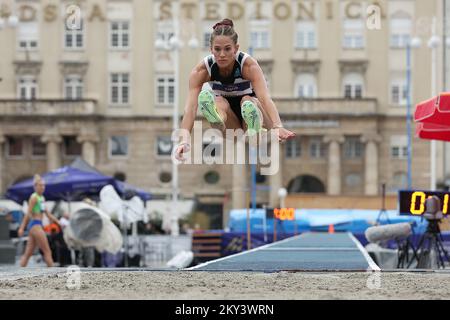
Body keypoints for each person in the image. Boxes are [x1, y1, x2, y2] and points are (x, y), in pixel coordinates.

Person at [175, 18, 295, 162]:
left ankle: (254, 128)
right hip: (230, 124)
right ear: (211, 49)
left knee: (247, 101)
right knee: (218, 101)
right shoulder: (202, 70)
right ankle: (216, 118)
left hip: (256, 113)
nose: (222, 54)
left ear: (236, 48)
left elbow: (265, 98)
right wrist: (184, 140)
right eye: (217, 49)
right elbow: (190, 108)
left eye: (227, 49)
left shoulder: (248, 66)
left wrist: (278, 125)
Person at [18, 174, 61, 267]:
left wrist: (58, 222)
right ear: (35, 186)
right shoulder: (34, 197)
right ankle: (54, 274)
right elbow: (28, 213)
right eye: (40, 185)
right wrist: (22, 228)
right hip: (35, 225)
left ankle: (18, 272)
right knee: (47, 251)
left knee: (28, 253)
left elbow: (48, 214)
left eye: (44, 185)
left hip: (36, 226)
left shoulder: (41, 198)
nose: (43, 187)